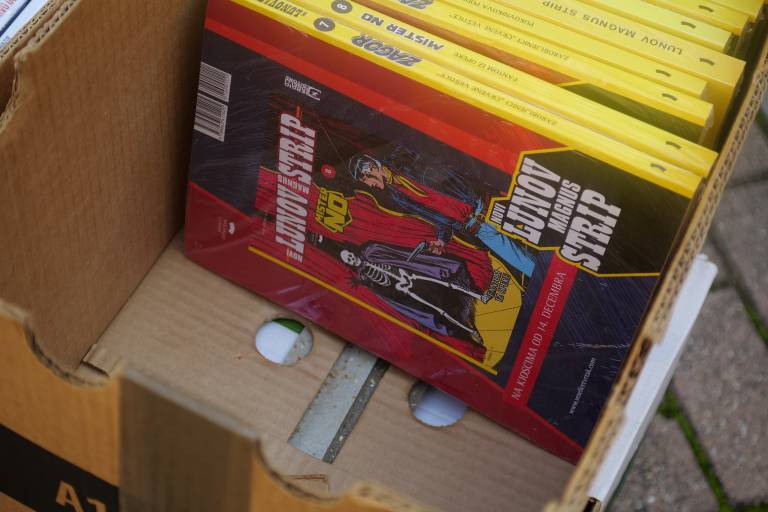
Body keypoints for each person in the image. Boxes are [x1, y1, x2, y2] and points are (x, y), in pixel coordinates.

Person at [348, 151, 536, 279]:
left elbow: (456, 168)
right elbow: (437, 216)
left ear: (371, 168)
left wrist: (485, 190)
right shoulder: (397, 195)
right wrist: (441, 240)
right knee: (530, 267)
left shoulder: (405, 159)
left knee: (541, 232)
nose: (369, 185)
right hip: (478, 229)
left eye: (365, 179)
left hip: (487, 205)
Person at [339, 241, 485, 346]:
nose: (351, 258)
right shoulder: (363, 277)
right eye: (347, 259)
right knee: (437, 309)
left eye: (349, 255)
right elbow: (383, 290)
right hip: (403, 288)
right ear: (348, 263)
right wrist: (398, 288)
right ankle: (470, 330)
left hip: (408, 274)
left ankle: (477, 296)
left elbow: (395, 256)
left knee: (444, 284)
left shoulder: (370, 252)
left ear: (352, 251)